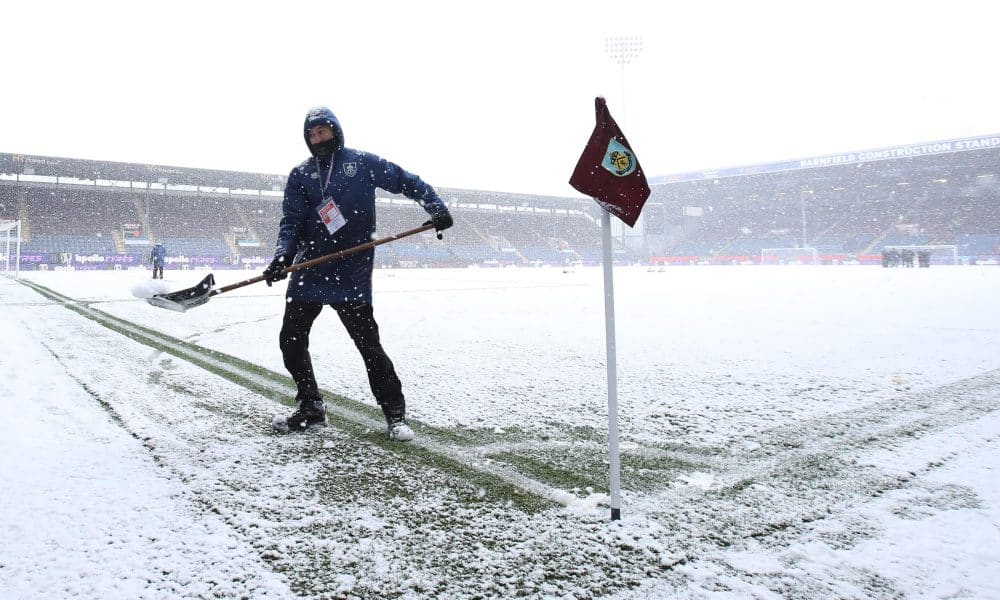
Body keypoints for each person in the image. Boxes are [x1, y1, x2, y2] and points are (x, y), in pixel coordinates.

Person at [265, 106, 453, 441]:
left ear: (335, 130)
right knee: (290, 341)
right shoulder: (301, 175)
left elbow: (405, 180)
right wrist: (282, 256)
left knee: (369, 346)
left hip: (350, 273)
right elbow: (291, 222)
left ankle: (395, 415)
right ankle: (311, 407)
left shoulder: (362, 163)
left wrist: (434, 206)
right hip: (310, 270)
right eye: (312, 134)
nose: (317, 138)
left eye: (323, 131)